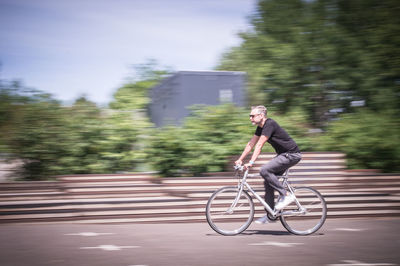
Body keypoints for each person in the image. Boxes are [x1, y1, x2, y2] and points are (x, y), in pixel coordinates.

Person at [235, 105, 302, 224]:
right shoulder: (260, 127)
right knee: (268, 181)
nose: (250, 118)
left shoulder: (269, 124)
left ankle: (286, 195)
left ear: (261, 116)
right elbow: (251, 143)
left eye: (252, 116)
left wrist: (251, 162)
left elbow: (259, 145)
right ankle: (271, 214)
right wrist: (240, 159)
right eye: (249, 116)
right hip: (283, 155)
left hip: (291, 154)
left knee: (264, 170)